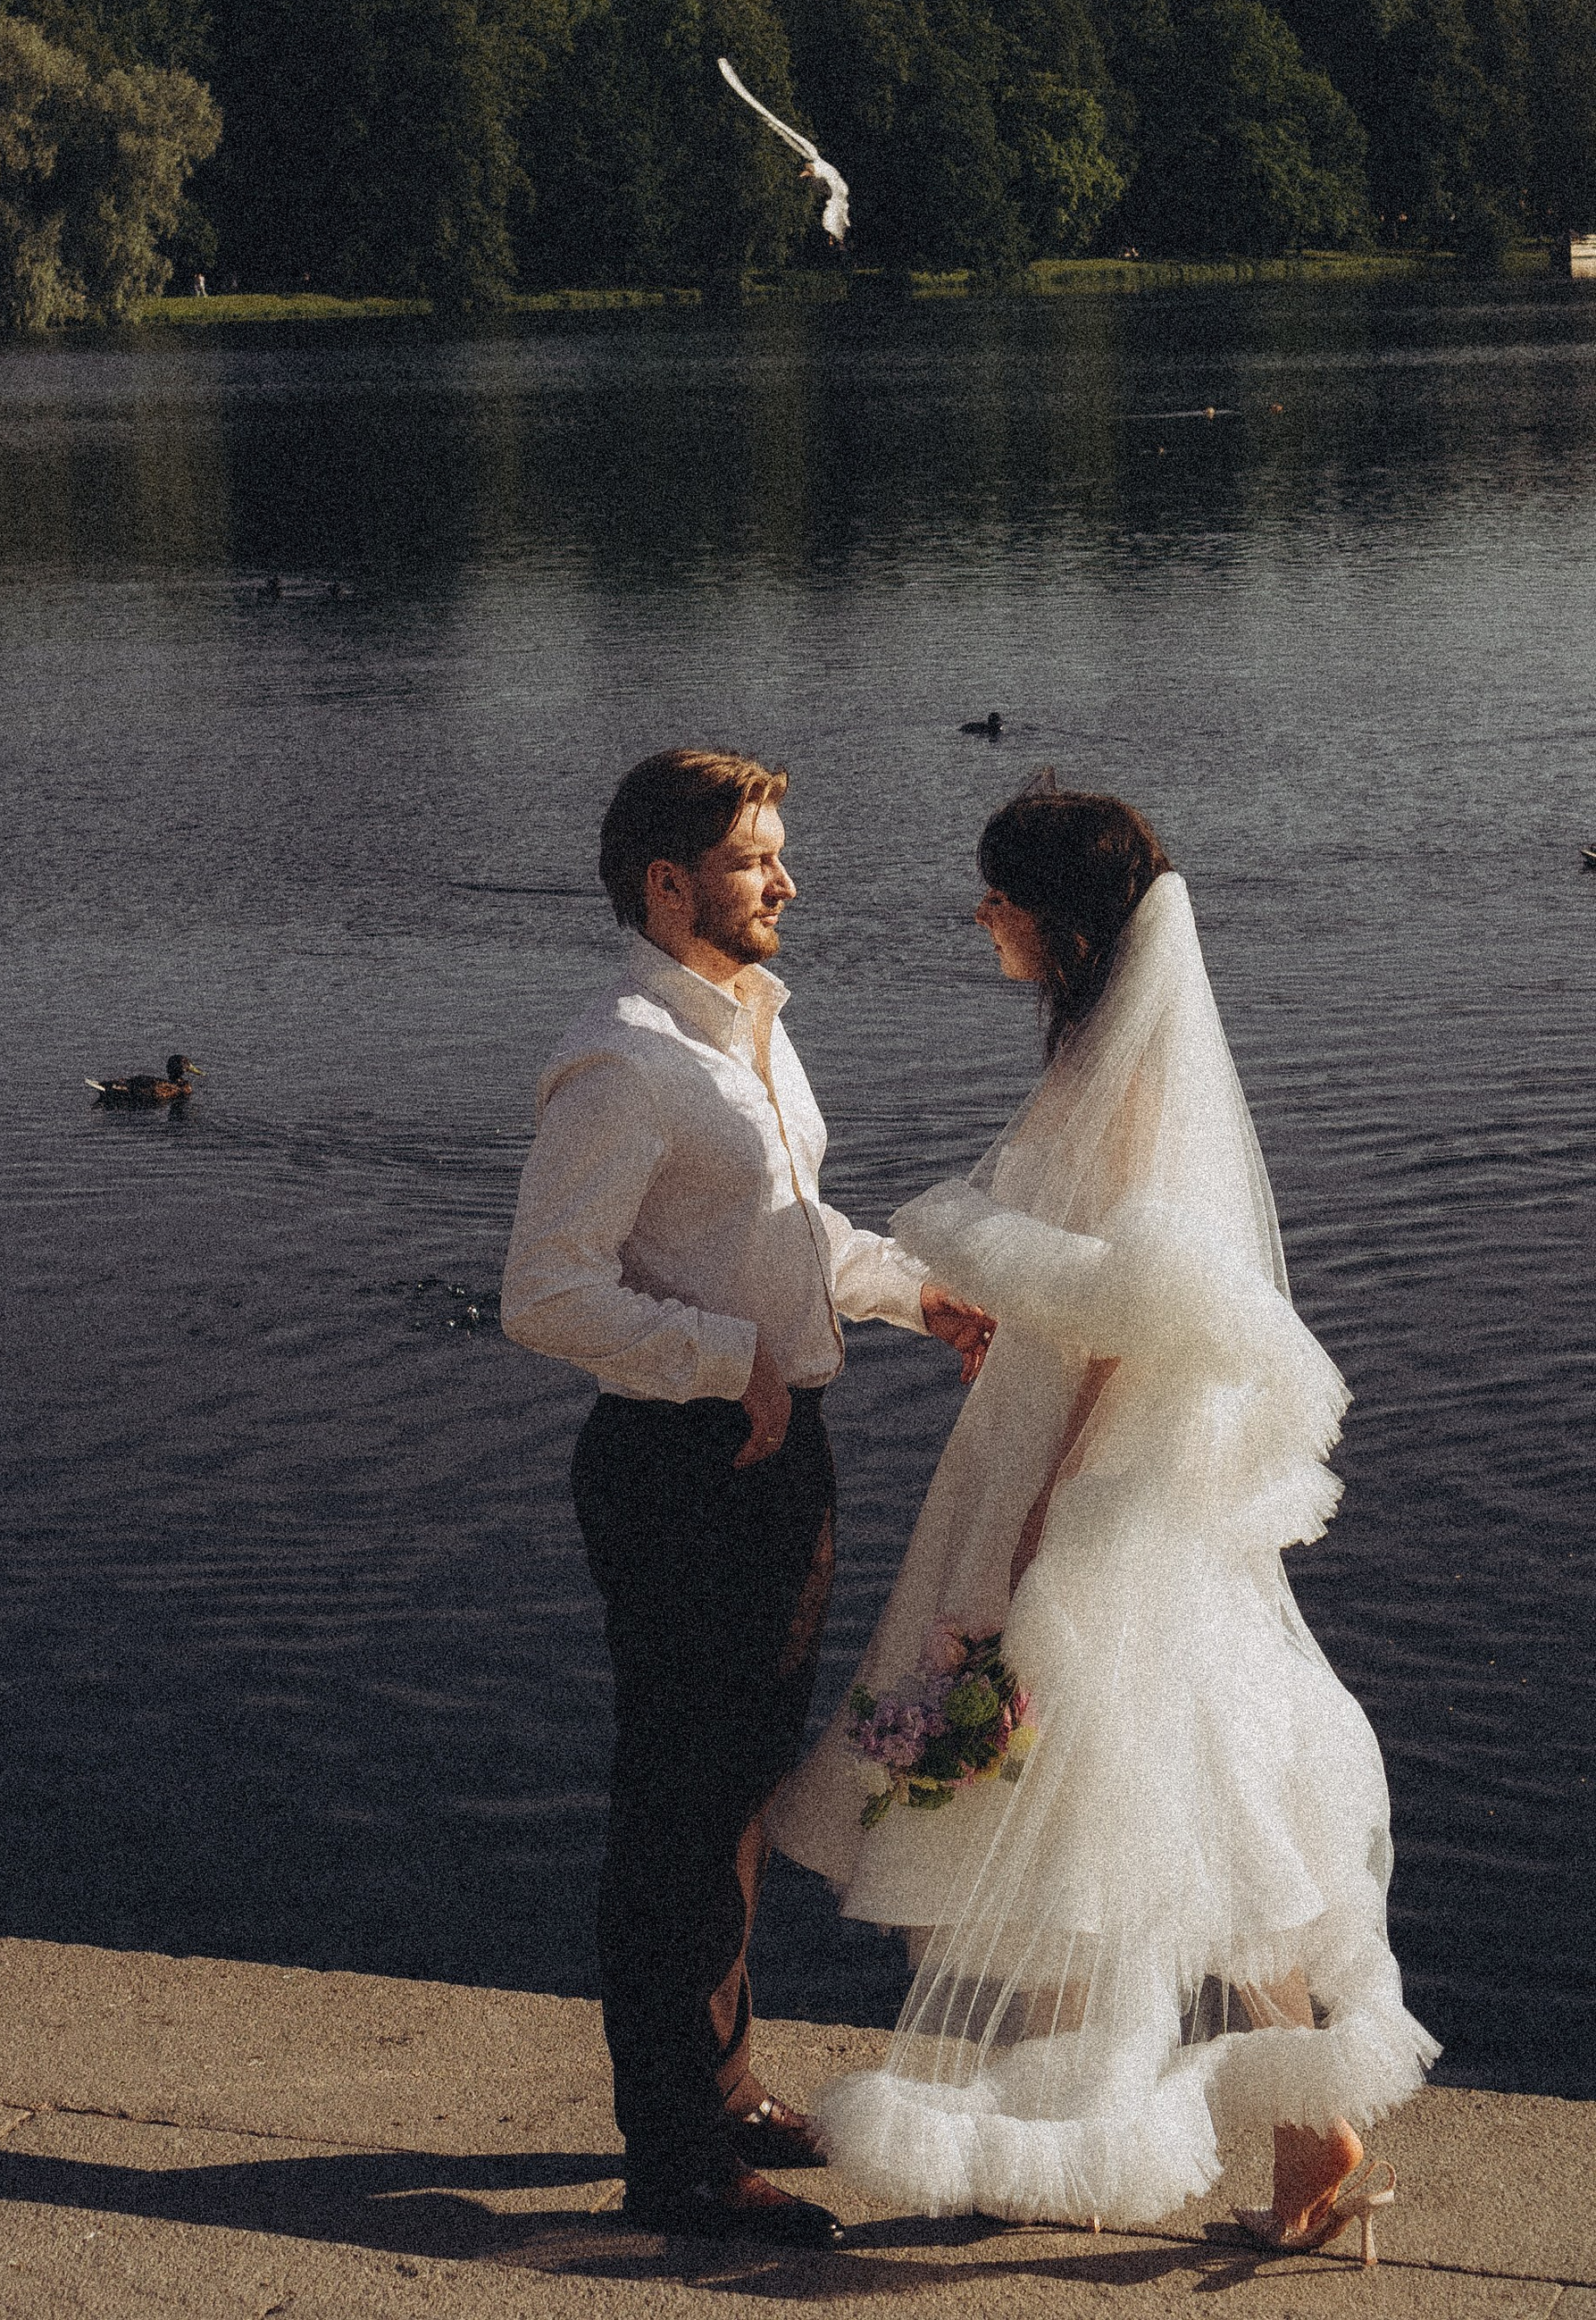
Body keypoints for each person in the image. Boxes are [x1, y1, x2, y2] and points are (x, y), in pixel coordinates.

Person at [769, 776, 1436, 2246]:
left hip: (1091, 1473)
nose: (984, 918)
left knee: (1117, 1791)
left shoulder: (1129, 1080)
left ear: (1061, 923)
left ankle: (1234, 2130)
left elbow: (1135, 1319)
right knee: (1167, 1790)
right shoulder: (1104, 1052)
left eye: (1001, 897)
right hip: (1070, 1453)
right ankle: (1297, 2129)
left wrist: (1046, 1516)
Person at [501, 749, 995, 2249]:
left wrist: (923, 1295)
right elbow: (543, 1293)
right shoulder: (625, 1058)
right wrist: (723, 1361)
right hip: (682, 1474)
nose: (787, 880)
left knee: (738, 1795)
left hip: (775, 1465)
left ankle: (718, 2088)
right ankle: (678, 2162)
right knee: (676, 1810)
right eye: (755, 859)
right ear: (669, 885)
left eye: (779, 854)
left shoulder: (754, 1034)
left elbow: (789, 1234)